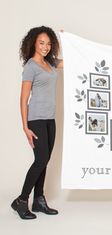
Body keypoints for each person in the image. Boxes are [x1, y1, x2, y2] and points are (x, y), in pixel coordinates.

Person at [11, 26, 63, 220]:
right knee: (40, 160)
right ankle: (21, 201)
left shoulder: (50, 63)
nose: (46, 47)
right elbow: (23, 99)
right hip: (36, 119)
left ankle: (39, 200)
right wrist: (25, 127)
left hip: (50, 118)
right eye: (42, 43)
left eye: (49, 43)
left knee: (45, 160)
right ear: (33, 43)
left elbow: (72, 62)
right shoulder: (31, 66)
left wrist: (68, 39)